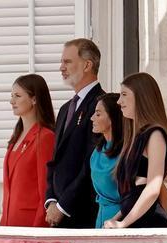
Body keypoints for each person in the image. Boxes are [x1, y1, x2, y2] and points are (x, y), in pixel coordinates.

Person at [44, 39, 105, 228]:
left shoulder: (102, 105)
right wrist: (51, 199)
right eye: (62, 62)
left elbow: (91, 163)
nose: (61, 67)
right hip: (58, 214)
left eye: (67, 62)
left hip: (83, 214)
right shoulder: (64, 109)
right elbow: (55, 160)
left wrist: (63, 206)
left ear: (87, 65)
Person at [104, 72, 167, 229]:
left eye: (124, 94)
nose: (119, 101)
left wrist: (122, 224)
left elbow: (153, 188)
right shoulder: (136, 138)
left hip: (148, 224)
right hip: (135, 223)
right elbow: (131, 196)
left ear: (141, 97)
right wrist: (115, 220)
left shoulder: (155, 134)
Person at [1, 74, 57, 227]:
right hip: (9, 224)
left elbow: (45, 189)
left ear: (34, 99)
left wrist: (37, 231)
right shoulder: (16, 137)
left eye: (18, 96)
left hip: (30, 225)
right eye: (12, 96)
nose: (12, 101)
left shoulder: (45, 137)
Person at [88, 93, 123, 227]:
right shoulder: (97, 151)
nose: (92, 118)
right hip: (101, 218)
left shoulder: (127, 152)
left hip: (120, 221)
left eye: (98, 114)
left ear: (113, 117)